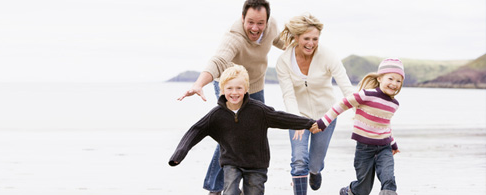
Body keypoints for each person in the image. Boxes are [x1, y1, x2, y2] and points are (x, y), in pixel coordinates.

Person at [176, 0, 284, 194]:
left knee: (255, 132)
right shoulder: (234, 37)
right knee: (231, 134)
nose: (255, 28)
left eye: (260, 23)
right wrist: (199, 84)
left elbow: (279, 40)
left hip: (255, 84)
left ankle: (245, 180)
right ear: (243, 18)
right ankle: (215, 187)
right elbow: (217, 61)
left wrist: (304, 47)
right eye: (250, 22)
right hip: (229, 84)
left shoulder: (272, 25)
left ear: (267, 21)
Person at [169, 65, 319, 195]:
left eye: (239, 88)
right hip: (231, 162)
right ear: (222, 90)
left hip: (257, 164)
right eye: (229, 88)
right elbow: (196, 131)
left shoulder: (259, 110)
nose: (234, 92)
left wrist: (308, 123)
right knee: (230, 191)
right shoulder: (217, 115)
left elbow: (281, 117)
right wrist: (179, 154)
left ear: (246, 89)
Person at [274, 13, 354, 195]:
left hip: (326, 116)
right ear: (296, 37)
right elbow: (288, 95)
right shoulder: (284, 61)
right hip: (298, 115)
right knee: (299, 161)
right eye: (306, 39)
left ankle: (315, 171)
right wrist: (296, 122)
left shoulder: (328, 56)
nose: (311, 43)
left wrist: (359, 110)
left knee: (315, 163)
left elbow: (346, 88)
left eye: (315, 39)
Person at [313, 58, 404, 195]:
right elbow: (342, 104)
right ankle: (349, 191)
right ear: (380, 78)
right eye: (390, 78)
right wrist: (324, 122)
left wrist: (393, 143)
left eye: (398, 81)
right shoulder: (366, 95)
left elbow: (384, 125)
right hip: (365, 149)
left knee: (389, 182)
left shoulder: (394, 104)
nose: (394, 84)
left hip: (384, 148)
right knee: (363, 189)